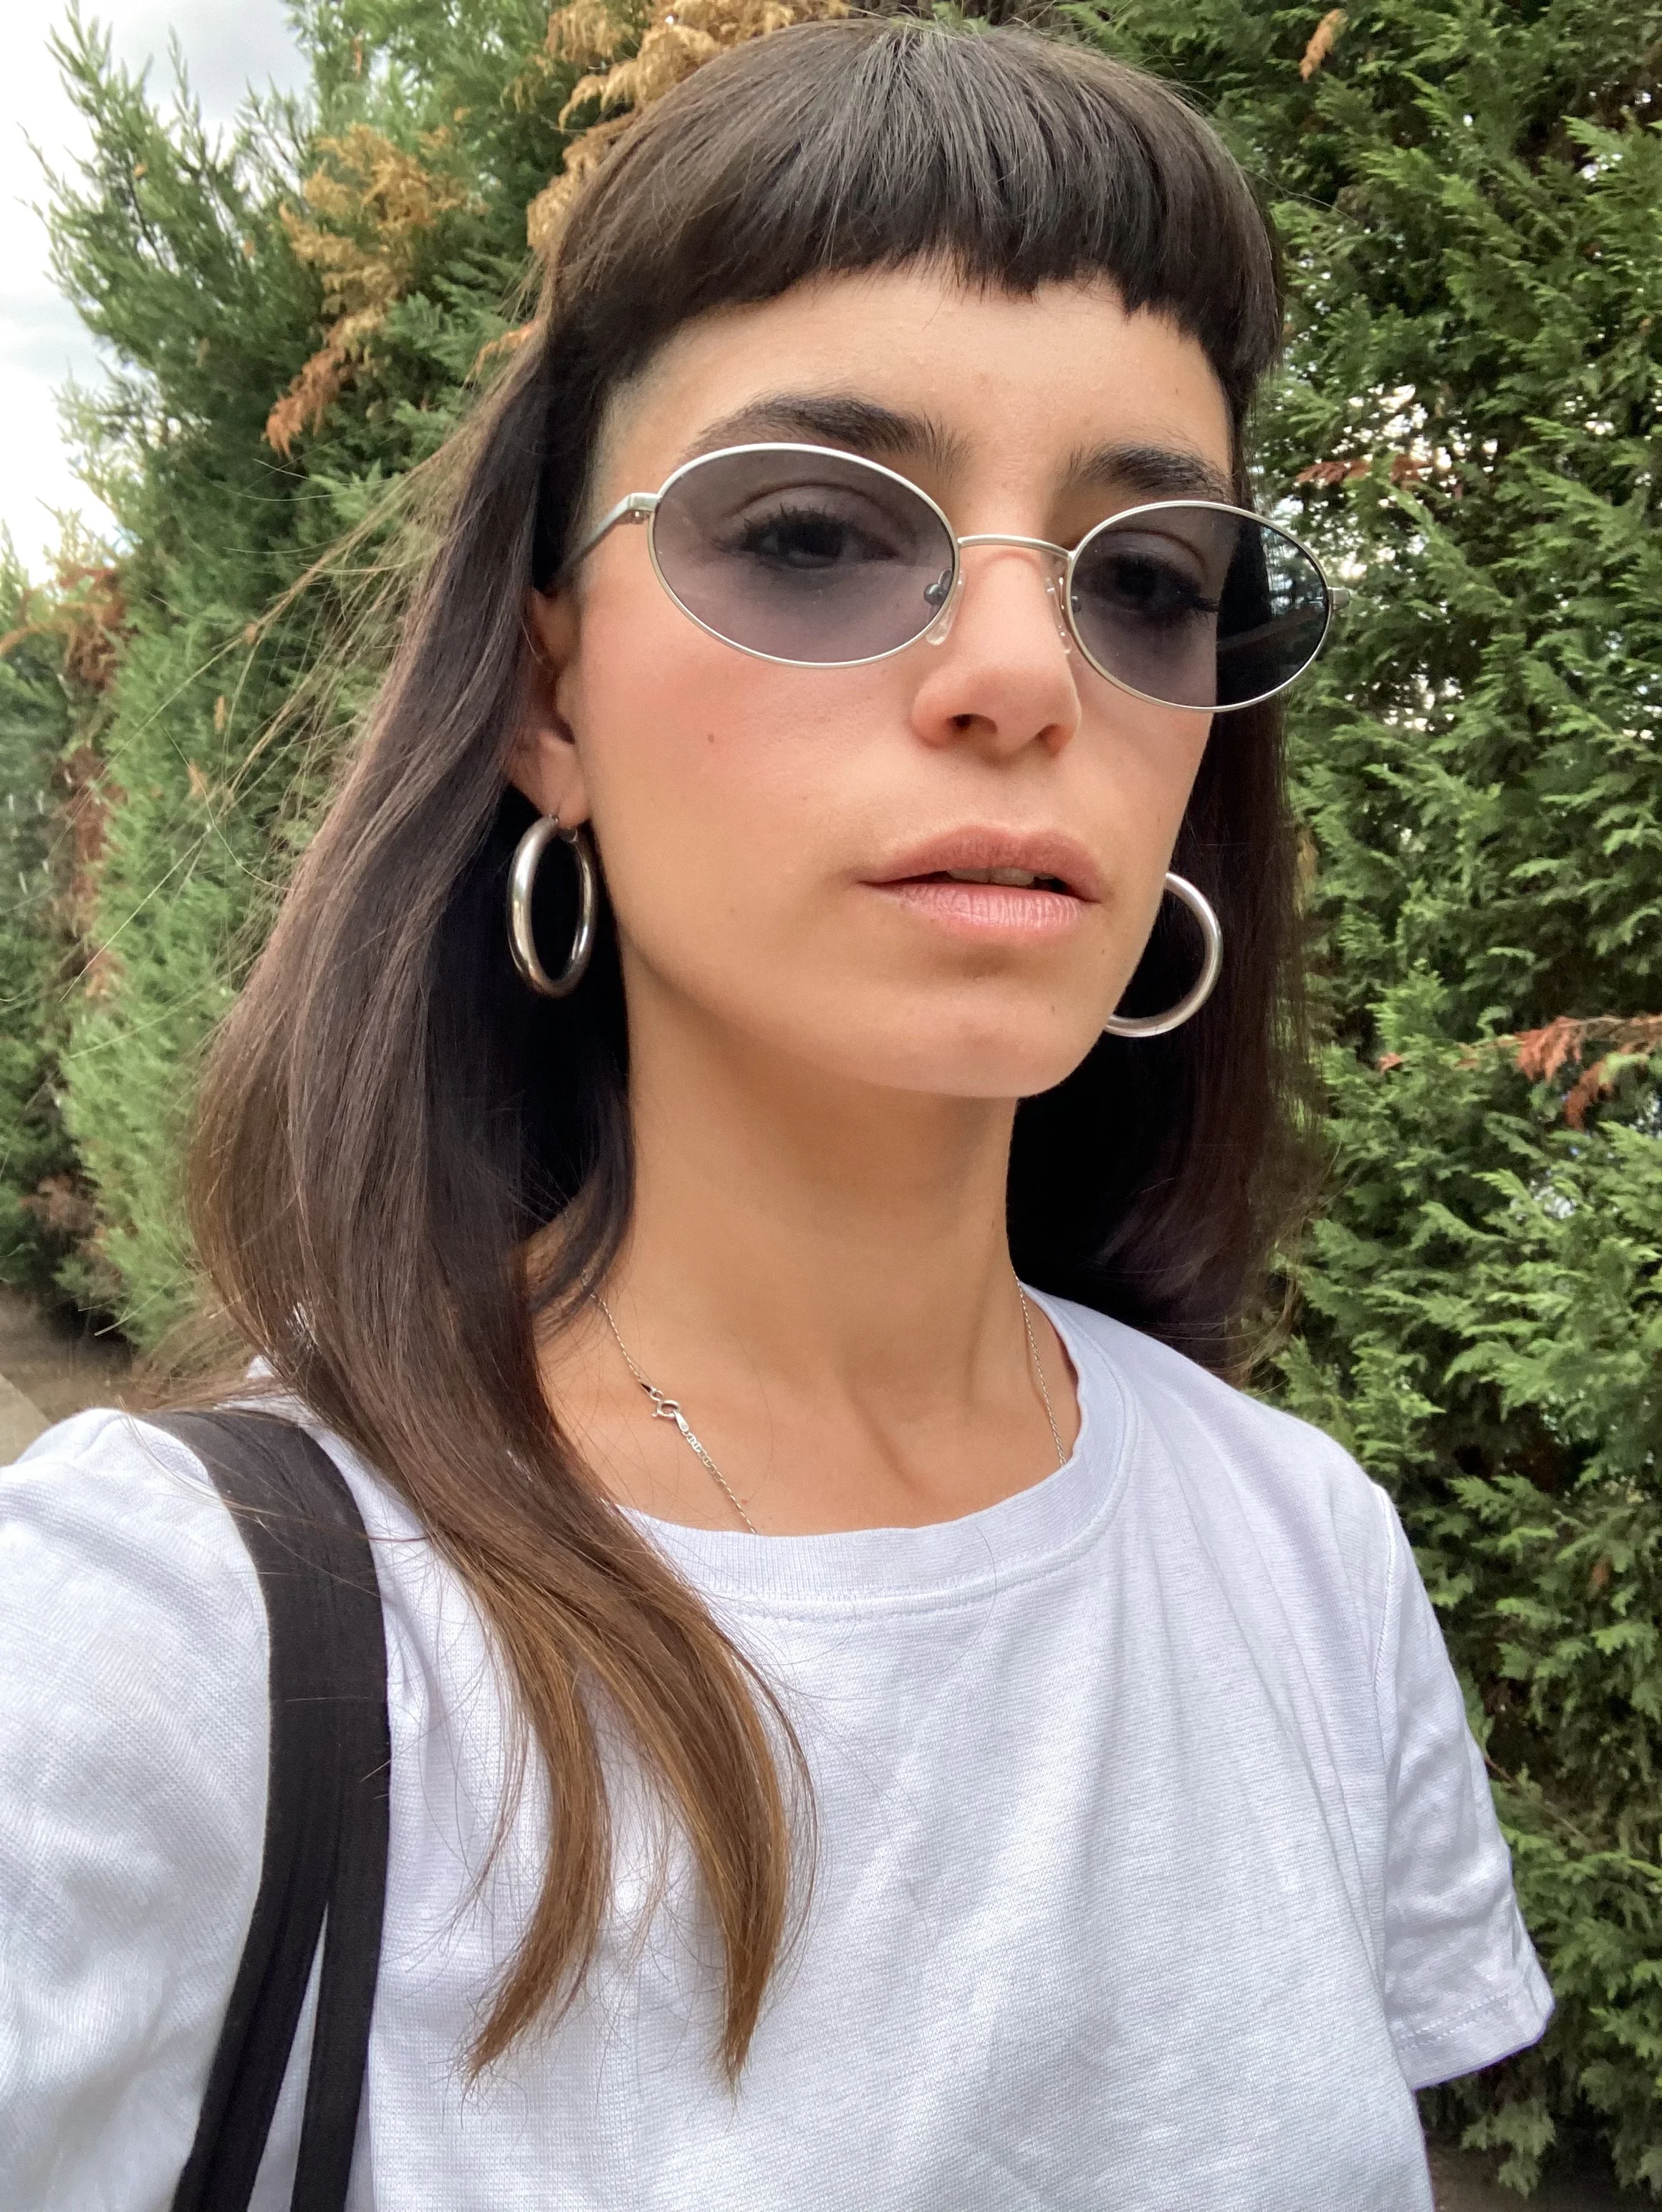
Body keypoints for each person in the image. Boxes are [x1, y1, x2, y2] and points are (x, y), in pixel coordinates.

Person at [0, 17, 1552, 2209]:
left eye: (1148, 579)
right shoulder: (156, 1644)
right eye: (819, 533)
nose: (1026, 674)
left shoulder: (1302, 1551)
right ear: (550, 693)